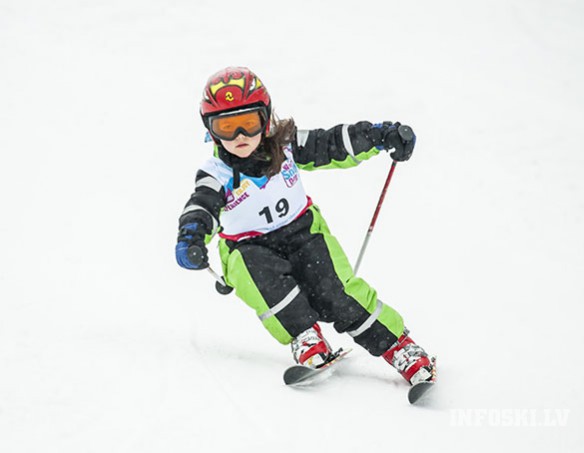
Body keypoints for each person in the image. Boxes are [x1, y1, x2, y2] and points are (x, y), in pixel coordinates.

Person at [175, 67, 435, 386]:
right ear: (211, 130)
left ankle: (399, 347)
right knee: (261, 281)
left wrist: (381, 135)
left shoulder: (286, 145)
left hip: (303, 233)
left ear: (265, 118)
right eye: (227, 127)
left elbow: (333, 143)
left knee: (336, 293)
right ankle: (305, 336)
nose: (240, 136)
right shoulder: (216, 173)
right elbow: (201, 206)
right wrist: (191, 237)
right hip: (248, 246)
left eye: (248, 123)